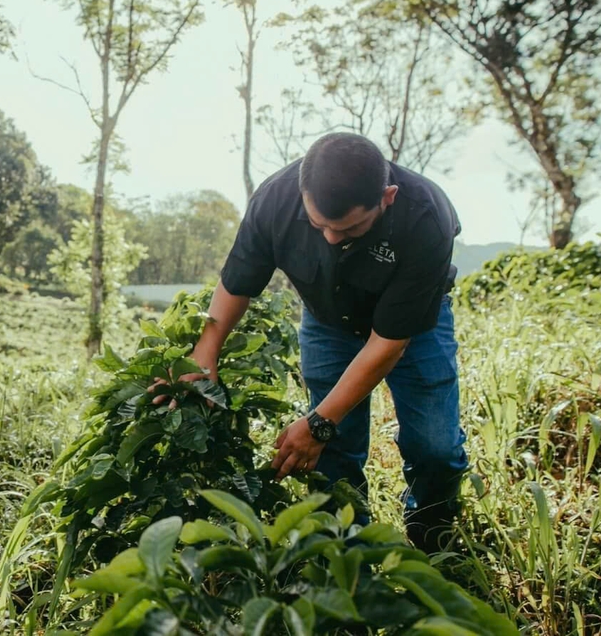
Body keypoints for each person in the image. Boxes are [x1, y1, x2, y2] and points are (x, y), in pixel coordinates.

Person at [154, 132, 467, 553]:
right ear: (302, 192)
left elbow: (387, 344)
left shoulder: (425, 216)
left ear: (387, 197)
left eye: (350, 227)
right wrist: (204, 353)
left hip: (413, 326)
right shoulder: (276, 199)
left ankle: (434, 532)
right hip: (327, 320)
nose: (333, 239)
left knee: (434, 445)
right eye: (319, 226)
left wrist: (318, 422)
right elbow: (237, 282)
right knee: (335, 451)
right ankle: (345, 550)